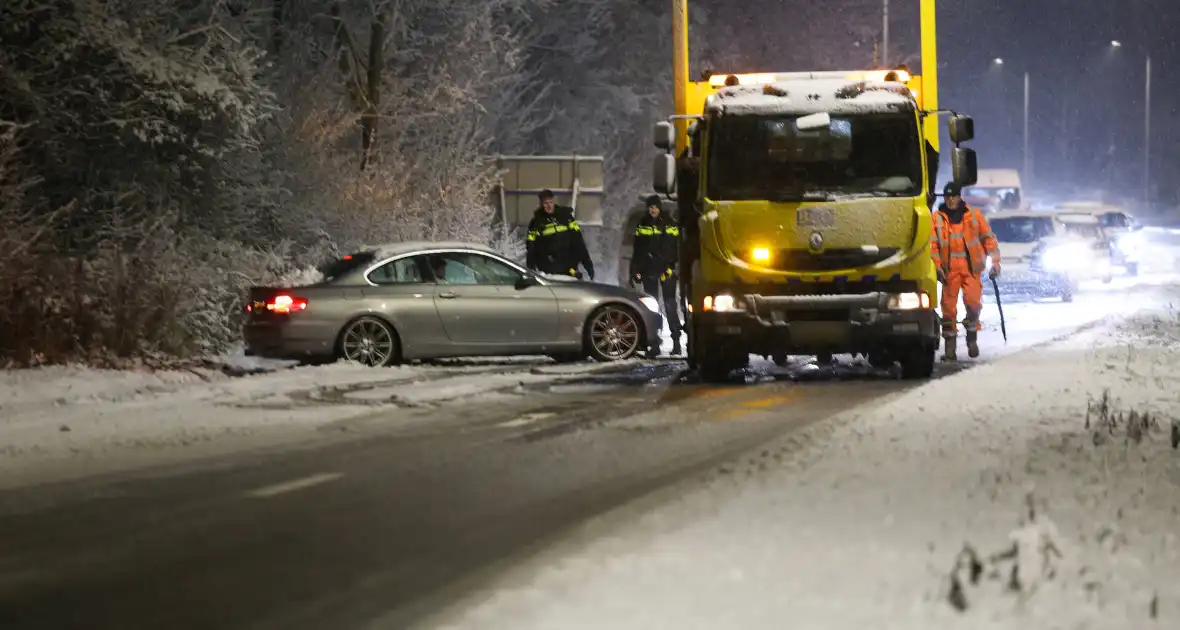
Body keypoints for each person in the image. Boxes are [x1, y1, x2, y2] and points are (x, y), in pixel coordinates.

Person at [930, 182, 1001, 361]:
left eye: (953, 196)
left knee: (973, 304)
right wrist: (937, 267)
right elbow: (933, 246)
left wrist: (996, 263)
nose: (950, 200)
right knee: (948, 310)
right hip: (949, 271)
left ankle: (971, 339)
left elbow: (989, 240)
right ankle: (950, 349)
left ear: (959, 196)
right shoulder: (937, 218)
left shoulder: (974, 215)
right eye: (947, 197)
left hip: (971, 269)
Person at [630, 195, 683, 355]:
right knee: (651, 308)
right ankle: (654, 344)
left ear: (660, 208)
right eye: (650, 207)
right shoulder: (642, 224)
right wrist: (635, 270)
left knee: (669, 306)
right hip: (649, 271)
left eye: (655, 207)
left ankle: (676, 342)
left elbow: (674, 248)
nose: (653, 210)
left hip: (666, 271)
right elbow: (638, 250)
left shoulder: (669, 223)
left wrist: (670, 267)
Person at [525, 189, 595, 280]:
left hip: (570, 269)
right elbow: (531, 247)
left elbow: (578, 241)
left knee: (574, 289)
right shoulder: (536, 223)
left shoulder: (566, 217)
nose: (549, 206)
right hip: (549, 271)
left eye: (550, 202)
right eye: (546, 203)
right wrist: (531, 268)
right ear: (541, 204)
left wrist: (588, 264)